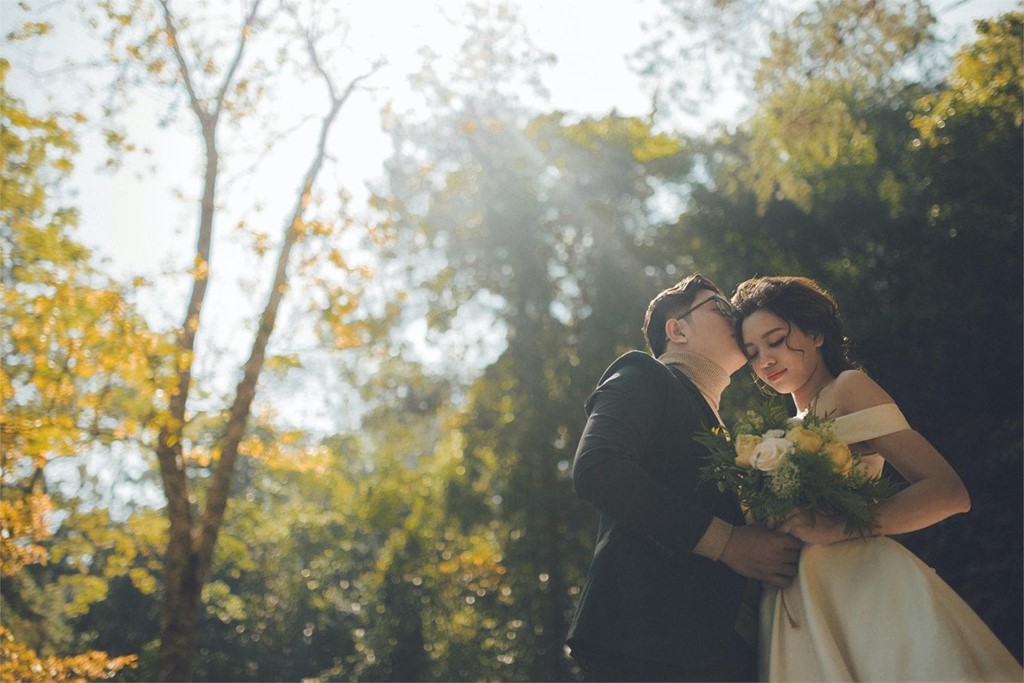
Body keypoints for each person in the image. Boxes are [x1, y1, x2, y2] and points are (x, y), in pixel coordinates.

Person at [730, 275, 1023, 682]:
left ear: (815, 332)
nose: (765, 360)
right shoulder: (777, 433)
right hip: (797, 609)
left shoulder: (849, 389)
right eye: (752, 352)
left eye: (776, 339)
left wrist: (838, 527)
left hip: (866, 594)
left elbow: (949, 492)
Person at [566, 274, 804, 682]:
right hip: (648, 649)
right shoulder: (644, 374)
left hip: (719, 655)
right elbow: (597, 467)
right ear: (676, 330)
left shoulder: (723, 432)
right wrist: (726, 542)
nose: (737, 317)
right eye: (720, 308)